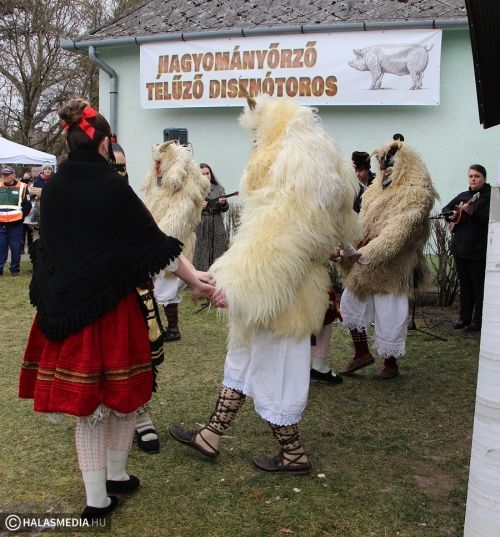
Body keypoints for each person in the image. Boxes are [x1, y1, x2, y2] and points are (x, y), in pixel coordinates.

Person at [18, 98, 215, 521]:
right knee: (122, 399)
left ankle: (106, 488)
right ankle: (107, 486)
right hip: (112, 311)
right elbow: (152, 242)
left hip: (68, 314)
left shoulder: (53, 188)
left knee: (90, 410)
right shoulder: (112, 186)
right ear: (105, 143)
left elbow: (47, 250)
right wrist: (195, 278)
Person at [169, 95, 360, 474]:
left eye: (258, 136)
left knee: (275, 371)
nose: (254, 144)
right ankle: (211, 434)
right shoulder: (308, 172)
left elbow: (276, 246)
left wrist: (235, 288)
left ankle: (293, 453)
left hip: (283, 295)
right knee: (242, 359)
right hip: (278, 289)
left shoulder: (293, 175)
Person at [336, 138, 437, 380]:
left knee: (390, 312)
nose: (386, 169)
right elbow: (362, 224)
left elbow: (400, 230)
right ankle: (361, 353)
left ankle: (390, 363)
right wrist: (347, 249)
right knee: (350, 303)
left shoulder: (417, 194)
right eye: (382, 165)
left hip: (394, 267)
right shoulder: (374, 191)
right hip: (365, 264)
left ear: (404, 164)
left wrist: (369, 251)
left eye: (391, 165)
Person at [141, 141, 210, 343]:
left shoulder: (185, 193)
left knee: (167, 288)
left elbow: (172, 226)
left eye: (161, 163)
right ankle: (162, 327)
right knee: (156, 288)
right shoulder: (159, 189)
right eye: (156, 163)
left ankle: (172, 328)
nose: (157, 168)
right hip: (158, 247)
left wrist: (152, 243)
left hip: (172, 248)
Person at [442, 164, 491, 331]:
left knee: (478, 288)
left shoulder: (490, 197)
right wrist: (452, 214)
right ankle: (464, 318)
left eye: (477, 176)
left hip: (478, 251)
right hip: (460, 249)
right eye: (471, 176)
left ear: (484, 178)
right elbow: (445, 209)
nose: (473, 179)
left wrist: (473, 213)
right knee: (465, 287)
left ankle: (477, 321)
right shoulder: (463, 195)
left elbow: (489, 221)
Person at [192, 163, 229, 272]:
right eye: (202, 174)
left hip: (217, 224)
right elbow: (189, 211)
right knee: (200, 253)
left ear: (211, 174)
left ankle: (218, 276)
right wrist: (199, 208)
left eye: (207, 173)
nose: (206, 176)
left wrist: (223, 203)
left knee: (218, 252)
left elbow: (225, 208)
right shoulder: (194, 190)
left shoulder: (218, 189)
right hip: (201, 226)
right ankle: (200, 277)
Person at [0, 165, 31, 276]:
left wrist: (21, 217)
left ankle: (15, 269)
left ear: (14, 175)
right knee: (1, 248)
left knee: (16, 248)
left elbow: (27, 205)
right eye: (4, 174)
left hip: (16, 225)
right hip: (1, 225)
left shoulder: (23, 187)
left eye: (8, 174)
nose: (5, 176)